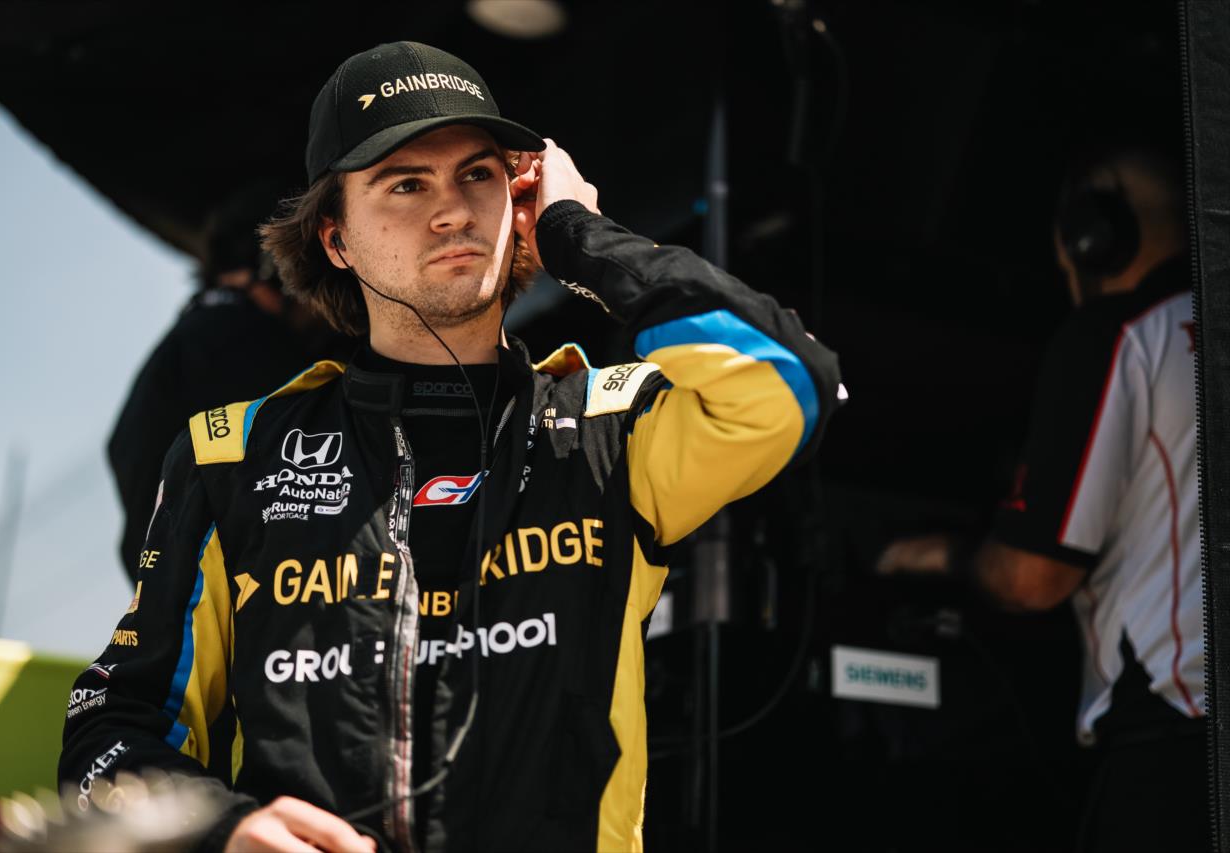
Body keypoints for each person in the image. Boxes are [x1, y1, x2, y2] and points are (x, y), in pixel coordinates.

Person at [59, 41, 843, 853]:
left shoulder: (614, 427)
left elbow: (789, 383)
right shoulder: (234, 459)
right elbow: (106, 736)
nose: (453, 210)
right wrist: (225, 830)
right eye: (405, 183)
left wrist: (581, 237)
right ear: (335, 238)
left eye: (479, 174)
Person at [878, 144, 1206, 852]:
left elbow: (1031, 579)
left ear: (1093, 235)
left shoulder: (1118, 334)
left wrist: (942, 555)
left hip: (1177, 746)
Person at [108, 183, 347, 582]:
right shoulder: (252, 344)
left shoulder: (187, 341)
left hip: (177, 608)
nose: (316, 297)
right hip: (245, 604)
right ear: (273, 266)